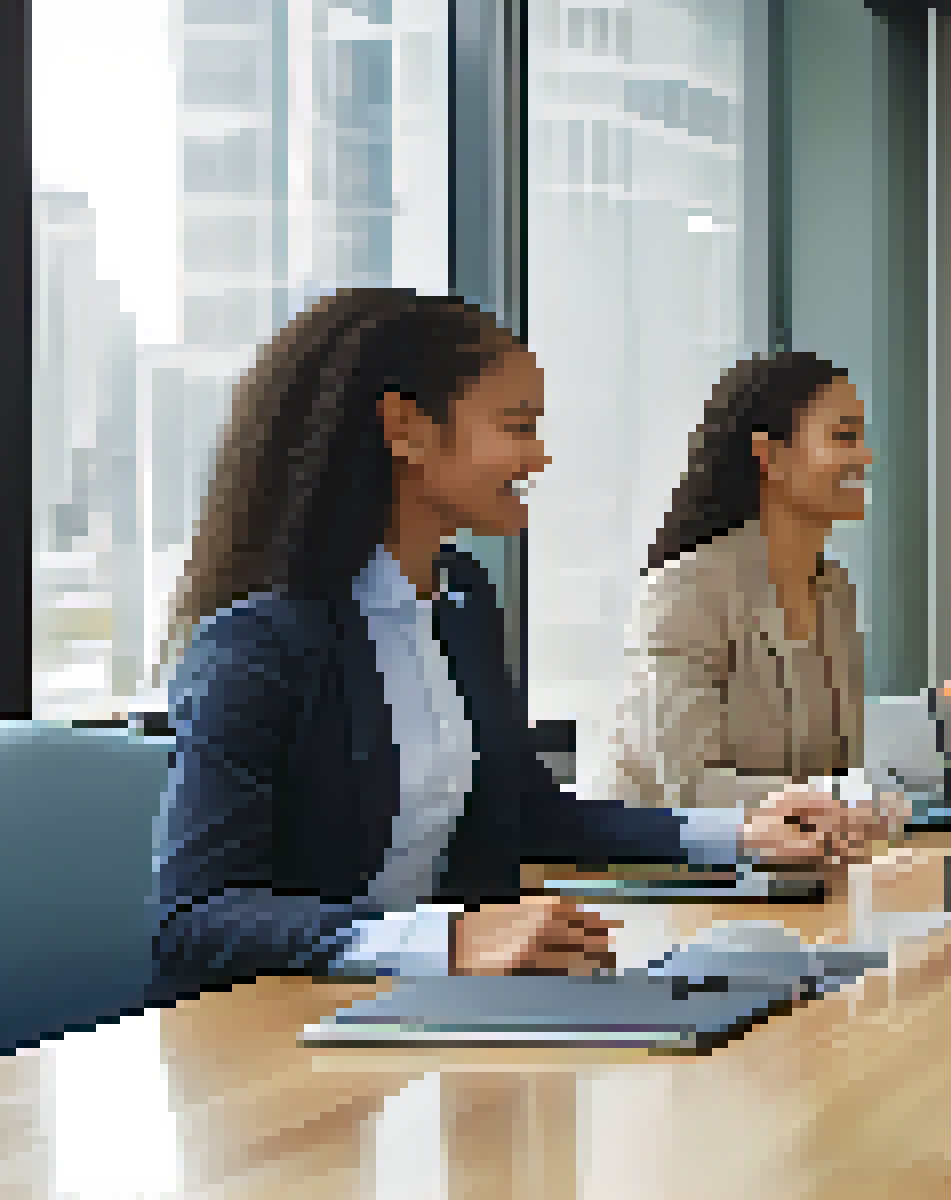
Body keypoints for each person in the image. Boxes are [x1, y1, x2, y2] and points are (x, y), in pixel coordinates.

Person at [151, 289, 869, 1001]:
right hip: (280, 1029)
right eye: (517, 426)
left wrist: (741, 834)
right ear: (407, 430)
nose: (539, 456)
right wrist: (450, 938)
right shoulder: (256, 647)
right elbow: (196, 917)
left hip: (432, 1014)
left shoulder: (459, 602)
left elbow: (529, 814)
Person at [609, 350, 951, 811]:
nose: (866, 456)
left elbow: (837, 770)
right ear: (770, 454)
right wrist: (856, 799)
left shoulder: (834, 592)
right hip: (658, 874)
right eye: (843, 436)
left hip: (783, 864)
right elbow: (691, 791)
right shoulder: (684, 594)